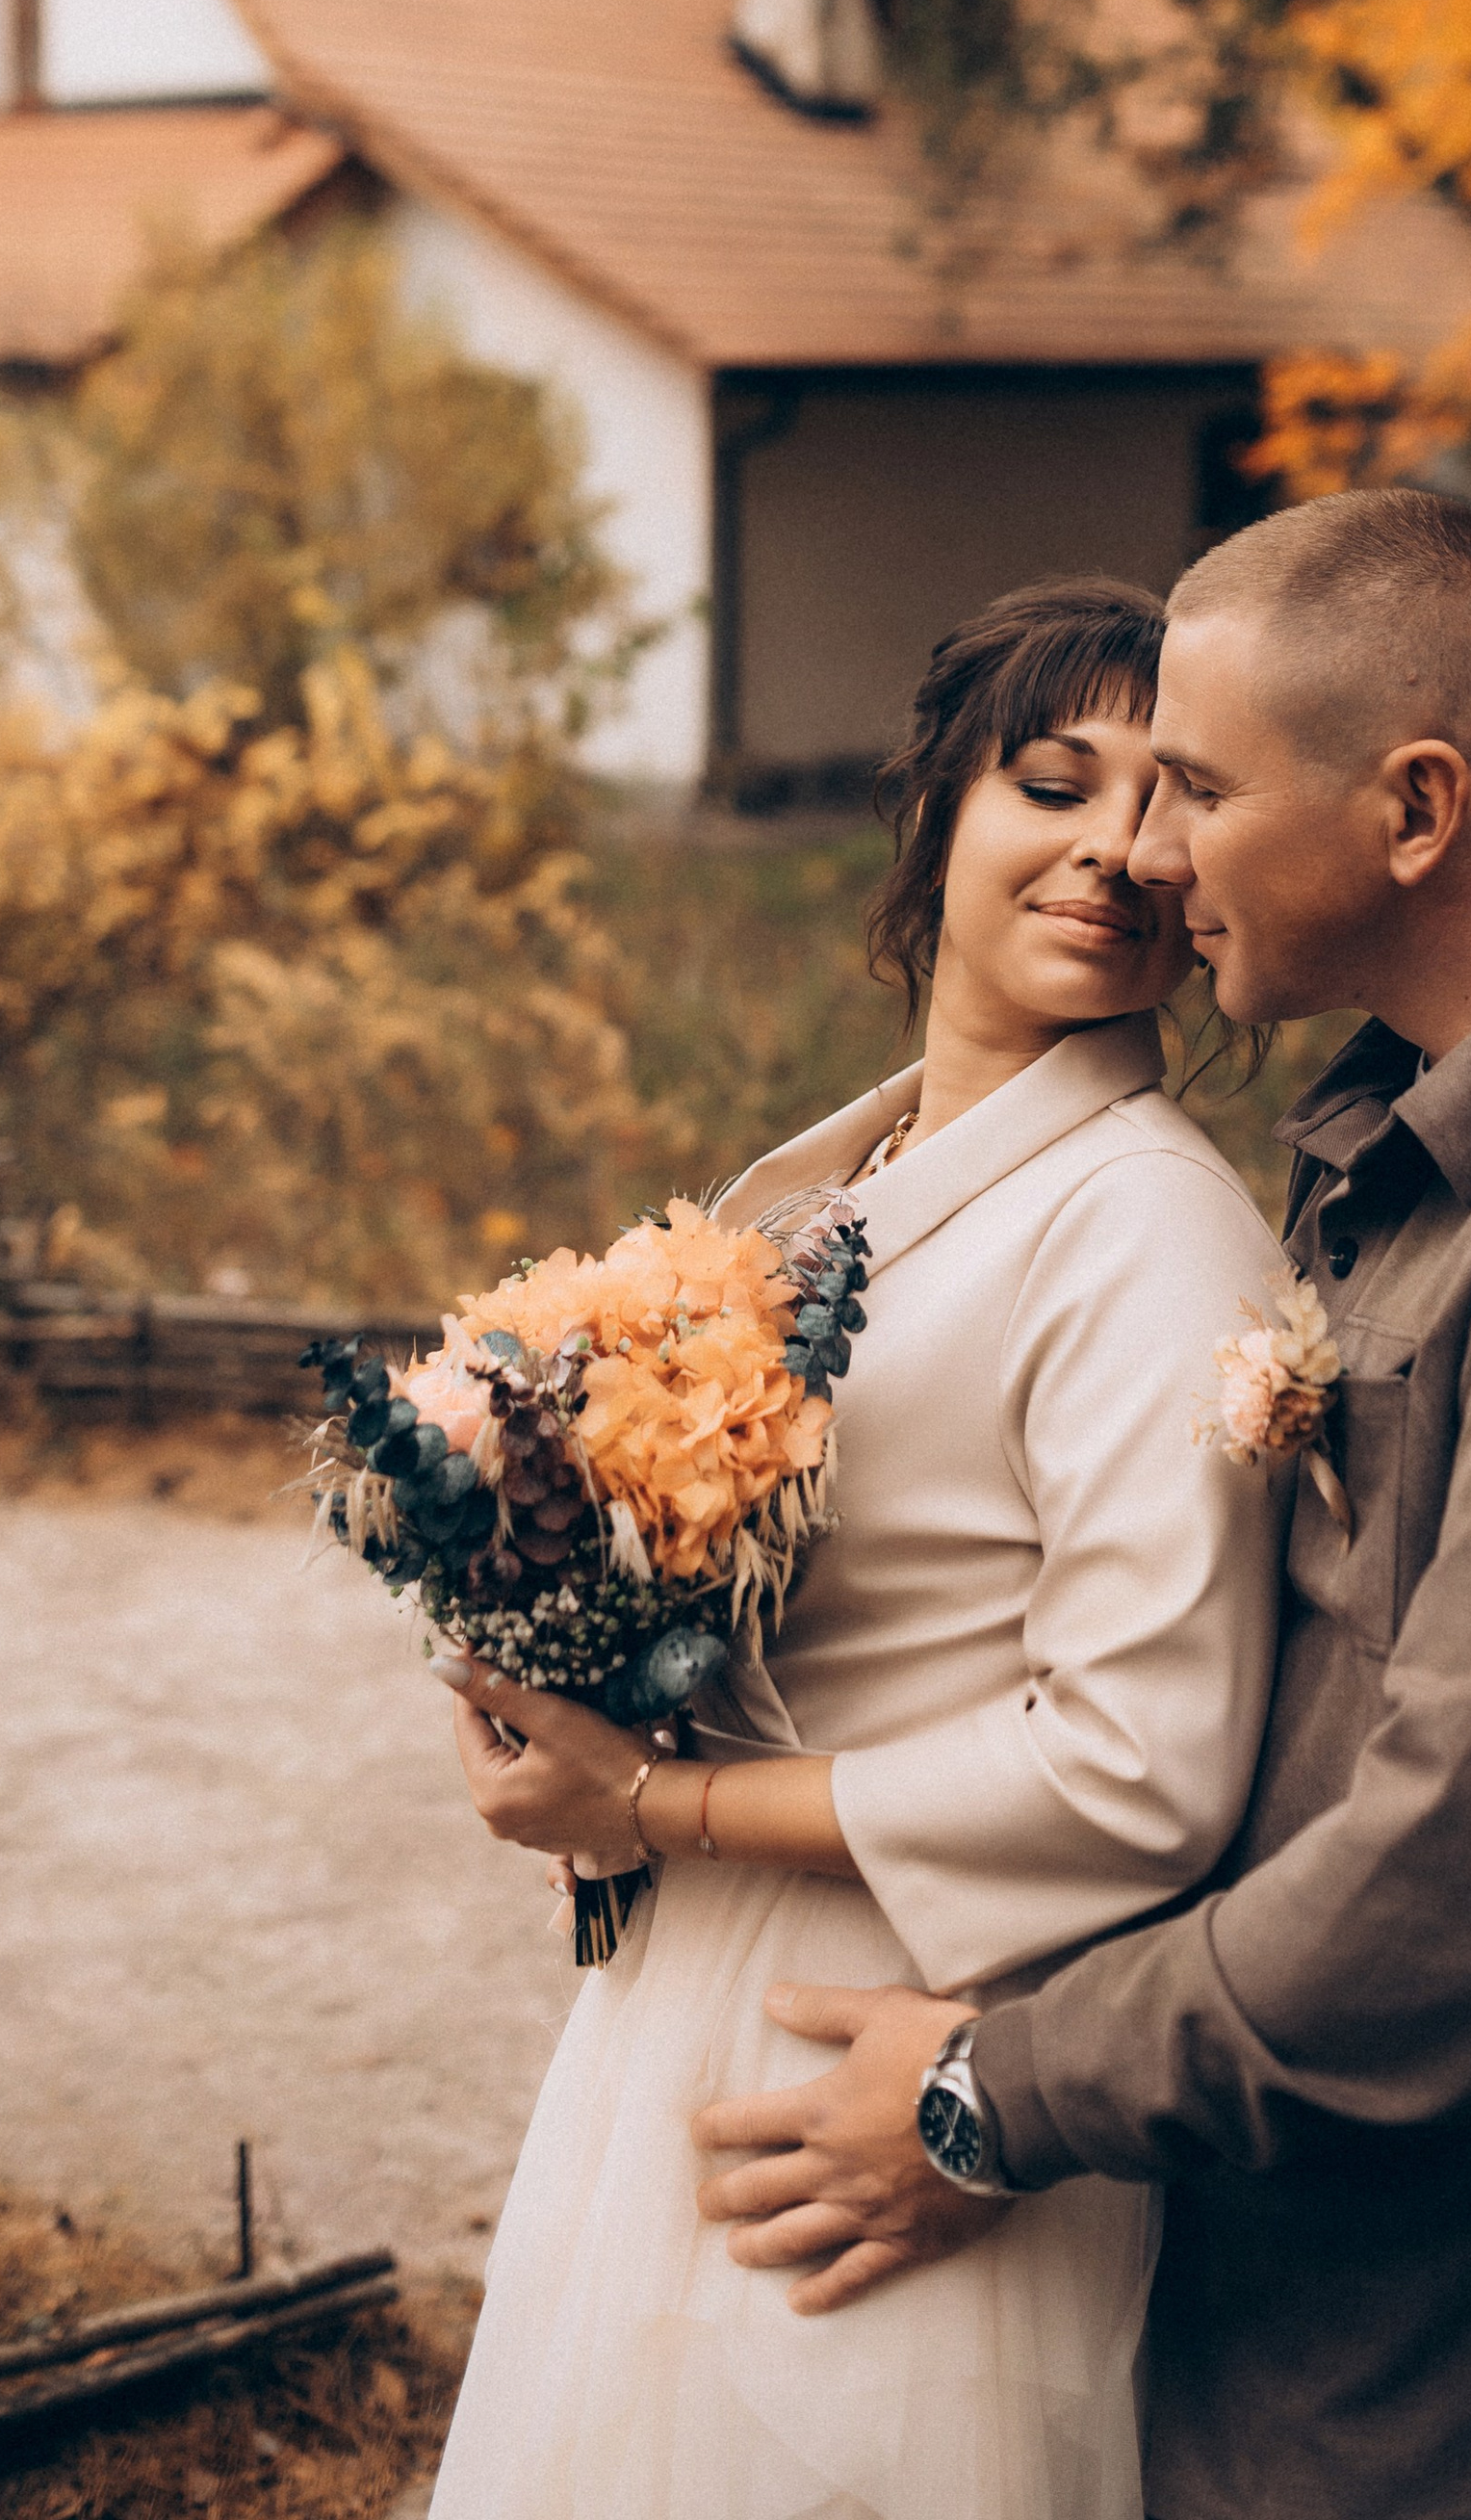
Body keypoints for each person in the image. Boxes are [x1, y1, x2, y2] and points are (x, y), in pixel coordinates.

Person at [692, 490, 1471, 2520]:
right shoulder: (1428, 1157)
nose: (1145, 857)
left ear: (1413, 808)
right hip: (1285, 2318)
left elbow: (1466, 1875)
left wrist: (990, 2096)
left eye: (1193, 789)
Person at [426, 576, 1293, 2520]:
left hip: (900, 2032)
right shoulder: (852, 1183)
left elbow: (1140, 1763)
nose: (1112, 850)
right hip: (708, 1997)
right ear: (935, 814)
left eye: (1166, 808)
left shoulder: (1143, 1226)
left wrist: (665, 1800)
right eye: (1049, 782)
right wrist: (552, 1652)